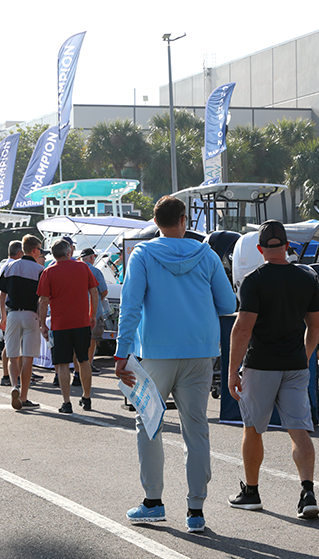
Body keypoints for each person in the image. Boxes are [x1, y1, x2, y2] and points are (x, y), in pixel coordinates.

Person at [115, 195, 237, 534]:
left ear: (156, 223)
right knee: (196, 429)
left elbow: (131, 306)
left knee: (150, 423)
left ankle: (153, 502)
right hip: (200, 352)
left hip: (155, 352)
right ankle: (195, 509)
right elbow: (228, 304)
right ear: (184, 220)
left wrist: (122, 353)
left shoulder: (142, 254)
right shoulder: (207, 254)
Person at [227, 220, 319, 519]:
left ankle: (252, 491)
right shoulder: (307, 278)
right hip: (294, 364)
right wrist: (303, 355)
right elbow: (316, 326)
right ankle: (307, 492)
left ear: (260, 249)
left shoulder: (254, 280)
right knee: (299, 429)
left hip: (262, 364)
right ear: (287, 246)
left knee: (253, 428)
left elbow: (243, 329)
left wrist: (232, 371)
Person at [37, 239, 99, 413]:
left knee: (63, 364)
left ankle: (66, 402)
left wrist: (42, 324)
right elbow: (94, 291)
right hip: (81, 322)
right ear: (69, 252)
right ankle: (86, 398)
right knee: (84, 360)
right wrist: (92, 314)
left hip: (60, 324)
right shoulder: (83, 267)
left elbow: (43, 301)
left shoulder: (48, 272)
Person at [0, 234, 44, 411]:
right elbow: (42, 298)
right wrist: (42, 320)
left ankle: (14, 386)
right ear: (34, 250)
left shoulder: (9, 267)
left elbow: (2, 294)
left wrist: (3, 315)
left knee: (12, 355)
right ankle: (24, 396)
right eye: (39, 250)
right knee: (28, 358)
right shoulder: (39, 270)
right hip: (31, 315)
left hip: (13, 314)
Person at [78, 248, 108, 375]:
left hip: (78, 310)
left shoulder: (76, 270)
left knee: (78, 340)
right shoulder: (95, 271)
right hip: (93, 310)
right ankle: (88, 365)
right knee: (92, 339)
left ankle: (79, 367)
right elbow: (104, 291)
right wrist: (98, 299)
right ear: (92, 258)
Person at [0, 241, 23, 386]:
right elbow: (3, 293)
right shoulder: (11, 266)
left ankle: (9, 375)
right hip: (10, 308)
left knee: (11, 344)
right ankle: (8, 375)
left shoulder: (6, 266)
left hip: (8, 309)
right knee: (11, 345)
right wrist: (3, 315)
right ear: (19, 253)